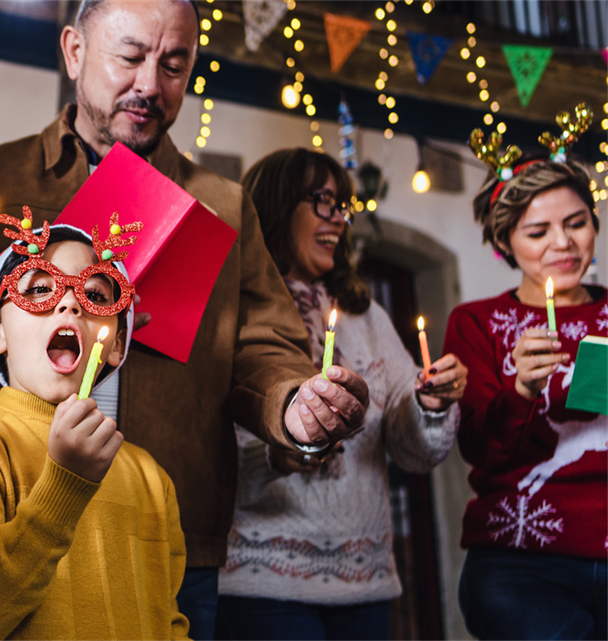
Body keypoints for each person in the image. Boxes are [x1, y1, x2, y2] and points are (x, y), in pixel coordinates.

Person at [0, 1, 371, 637]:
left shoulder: (221, 206)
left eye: (175, 65)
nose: (151, 85)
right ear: (74, 51)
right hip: (16, 510)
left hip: (165, 527)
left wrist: (294, 403)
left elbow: (264, 347)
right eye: (129, 57)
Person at [215, 149, 467, 641]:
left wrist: (428, 406)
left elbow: (414, 452)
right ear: (276, 205)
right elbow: (209, 451)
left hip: (364, 584)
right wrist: (279, 454)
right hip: (263, 585)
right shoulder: (235, 310)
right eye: (322, 201)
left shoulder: (365, 315)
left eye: (342, 205)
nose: (338, 218)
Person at [0, 211, 189, 640]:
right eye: (39, 288)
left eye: (95, 295)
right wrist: (65, 484)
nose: (69, 303)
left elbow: (168, 624)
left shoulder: (150, 477)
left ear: (115, 346)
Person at [444, 149, 606, 641]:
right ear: (504, 242)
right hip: (521, 564)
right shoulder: (474, 323)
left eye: (576, 223)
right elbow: (480, 450)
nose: (563, 243)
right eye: (538, 233)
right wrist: (520, 391)